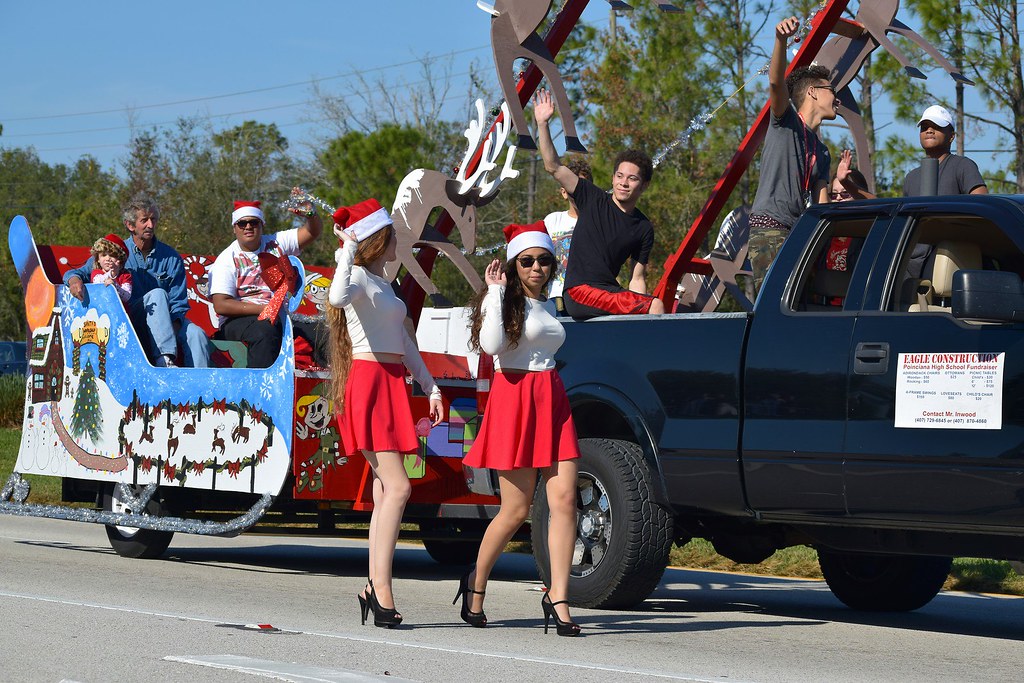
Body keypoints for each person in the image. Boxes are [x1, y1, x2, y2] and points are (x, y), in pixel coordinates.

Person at [456, 221, 582, 636]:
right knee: (515, 510)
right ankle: (476, 582)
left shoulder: (549, 305)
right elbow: (492, 346)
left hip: (551, 397)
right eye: (527, 261)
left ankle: (559, 598)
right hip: (514, 398)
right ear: (513, 265)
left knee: (564, 500)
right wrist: (494, 291)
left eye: (545, 261)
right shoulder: (503, 302)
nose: (537, 268)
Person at [326, 198, 443, 629]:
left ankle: (374, 586)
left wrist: (430, 386)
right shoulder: (355, 276)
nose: (400, 239)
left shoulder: (383, 284)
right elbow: (336, 296)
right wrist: (346, 250)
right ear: (380, 238)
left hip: (392, 381)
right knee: (399, 488)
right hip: (370, 383)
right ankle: (381, 587)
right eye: (393, 233)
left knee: (384, 493)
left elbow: (405, 344)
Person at [534, 89, 665, 318]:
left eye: (632, 178)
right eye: (619, 176)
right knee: (655, 306)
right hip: (580, 292)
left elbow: (637, 278)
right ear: (613, 177)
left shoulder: (643, 228)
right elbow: (553, 166)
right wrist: (542, 123)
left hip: (608, 291)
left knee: (649, 307)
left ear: (644, 185)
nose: (623, 183)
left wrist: (640, 310)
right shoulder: (592, 198)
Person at [64, 194, 210, 368]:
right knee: (157, 294)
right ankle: (164, 360)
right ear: (130, 225)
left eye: (153, 219)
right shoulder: (115, 252)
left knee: (197, 334)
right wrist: (74, 281)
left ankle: (200, 390)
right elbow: (77, 273)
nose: (150, 225)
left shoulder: (171, 257)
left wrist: (169, 329)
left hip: (167, 325)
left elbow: (178, 304)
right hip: (131, 319)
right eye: (144, 220)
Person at [748, 16, 838, 290]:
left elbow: (822, 207)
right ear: (812, 92)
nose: (837, 97)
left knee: (801, 302)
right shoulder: (784, 121)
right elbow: (776, 84)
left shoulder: (822, 152)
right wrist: (780, 40)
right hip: (770, 228)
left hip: (797, 234)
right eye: (831, 89)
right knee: (773, 300)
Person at [208, 191, 324, 368]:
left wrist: (310, 213)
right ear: (234, 227)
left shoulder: (276, 242)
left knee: (322, 334)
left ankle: (329, 391)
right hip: (238, 321)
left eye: (253, 222)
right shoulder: (226, 259)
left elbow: (312, 232)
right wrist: (265, 308)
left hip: (278, 315)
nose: (248, 227)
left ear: (261, 225)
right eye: (242, 223)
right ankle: (261, 391)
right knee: (265, 330)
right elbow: (221, 305)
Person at [837, 104, 988, 198]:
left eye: (937, 126)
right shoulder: (912, 177)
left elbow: (982, 208)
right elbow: (884, 209)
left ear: (951, 136)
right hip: (915, 250)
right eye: (924, 127)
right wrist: (846, 183)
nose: (929, 130)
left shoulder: (963, 166)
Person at [543, 156, 592, 312]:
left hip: (590, 296)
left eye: (583, 186)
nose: (578, 192)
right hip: (557, 298)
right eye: (572, 187)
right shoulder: (552, 220)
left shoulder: (599, 220)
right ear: (564, 192)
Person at [90, 234, 133, 305]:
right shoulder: (97, 273)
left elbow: (126, 296)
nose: (107, 259)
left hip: (120, 311)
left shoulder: (125, 275)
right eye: (104, 255)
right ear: (98, 259)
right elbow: (99, 282)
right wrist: (111, 273)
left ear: (120, 260)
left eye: (112, 255)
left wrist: (115, 285)